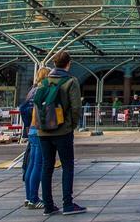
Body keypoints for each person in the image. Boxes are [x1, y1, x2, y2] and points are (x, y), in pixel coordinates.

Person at [37, 51, 86, 216]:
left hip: (43, 131)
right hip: (62, 130)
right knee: (67, 166)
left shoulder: (43, 82)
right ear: (68, 64)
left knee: (47, 167)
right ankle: (68, 204)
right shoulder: (71, 81)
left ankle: (48, 205)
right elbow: (76, 107)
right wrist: (71, 125)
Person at [21, 67, 51, 210]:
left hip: (31, 130)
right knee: (38, 165)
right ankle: (33, 198)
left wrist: (27, 127)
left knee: (31, 164)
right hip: (39, 129)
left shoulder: (32, 90)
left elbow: (24, 108)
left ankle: (28, 197)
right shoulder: (42, 90)